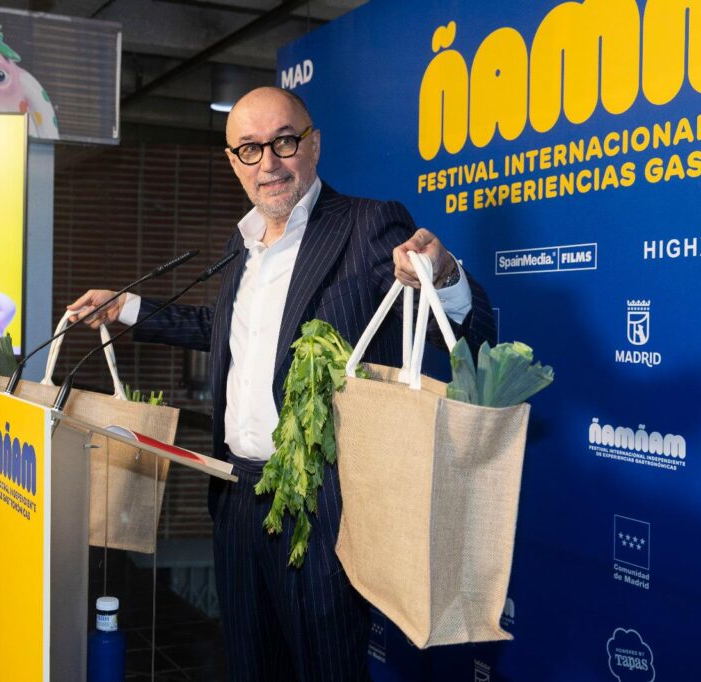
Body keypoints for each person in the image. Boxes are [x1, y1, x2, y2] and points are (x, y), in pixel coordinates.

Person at [68, 86, 496, 681]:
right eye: (249, 148)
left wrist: (442, 275)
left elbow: (472, 330)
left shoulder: (367, 224)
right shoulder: (241, 244)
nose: (268, 162)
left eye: (284, 142)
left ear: (313, 144)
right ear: (233, 161)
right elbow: (227, 332)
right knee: (250, 667)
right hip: (236, 498)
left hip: (321, 508)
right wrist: (129, 308)